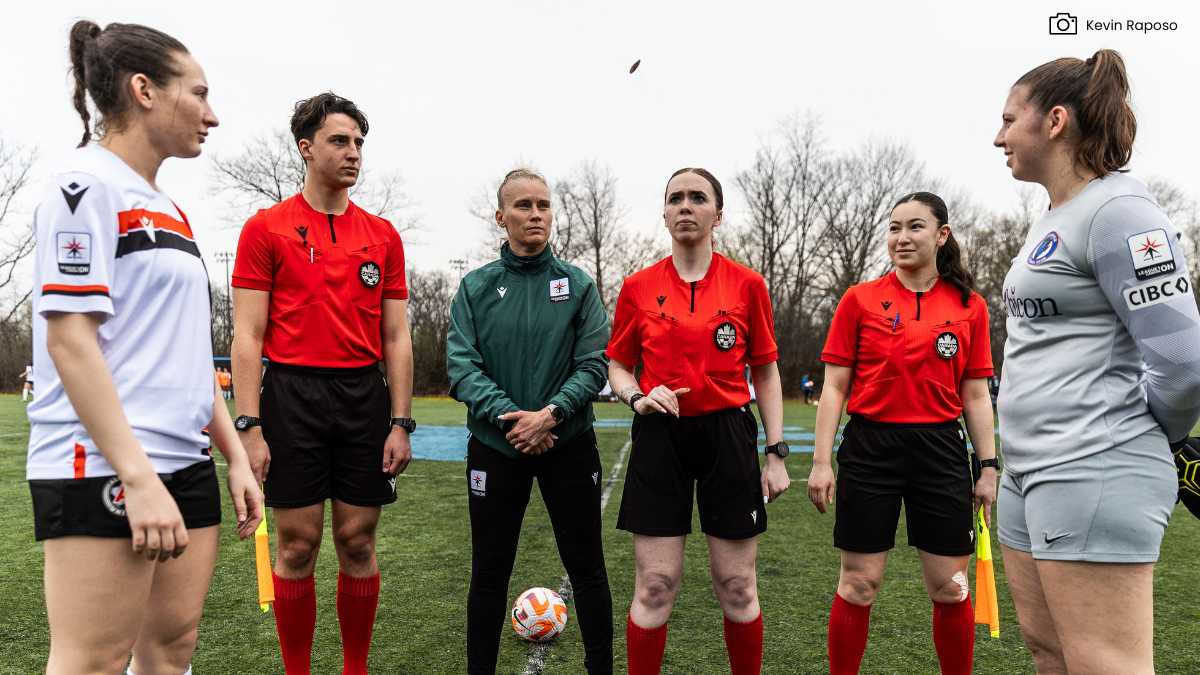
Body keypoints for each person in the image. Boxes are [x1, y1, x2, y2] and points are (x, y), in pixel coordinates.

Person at [26, 20, 262, 675]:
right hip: (103, 466)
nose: (212, 115)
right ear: (144, 90)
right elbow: (70, 339)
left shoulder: (171, 209)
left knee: (171, 651)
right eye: (199, 93)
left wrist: (234, 457)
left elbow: (188, 356)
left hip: (185, 461)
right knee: (94, 660)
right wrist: (137, 475)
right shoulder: (82, 185)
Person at [993, 49, 1200, 674]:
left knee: (1105, 664)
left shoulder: (1120, 212)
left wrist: (1144, 436)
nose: (998, 137)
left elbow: (1183, 359)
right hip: (1028, 470)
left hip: (1093, 463)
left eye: (1009, 120)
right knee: (1049, 653)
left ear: (1055, 121)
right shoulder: (1057, 215)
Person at [231, 93, 414, 675]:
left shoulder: (383, 236)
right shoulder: (265, 229)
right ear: (306, 148)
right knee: (297, 545)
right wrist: (249, 427)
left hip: (363, 398)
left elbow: (397, 338)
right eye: (340, 140)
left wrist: (401, 422)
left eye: (359, 142)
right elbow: (247, 336)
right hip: (292, 397)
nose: (353, 151)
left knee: (358, 542)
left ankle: (354, 669)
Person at [607, 168, 790, 675]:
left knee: (737, 586)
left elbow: (766, 371)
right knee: (655, 585)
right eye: (675, 198)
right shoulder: (638, 287)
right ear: (665, 214)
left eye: (697, 197)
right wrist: (637, 396)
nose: (685, 206)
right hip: (659, 436)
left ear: (718, 214)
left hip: (727, 435)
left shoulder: (747, 284)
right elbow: (618, 365)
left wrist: (776, 453)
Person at [806, 192, 997, 675]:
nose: (902, 237)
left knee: (950, 587)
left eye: (915, 227)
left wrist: (989, 467)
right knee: (858, 584)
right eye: (894, 227)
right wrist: (822, 462)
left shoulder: (970, 306)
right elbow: (834, 387)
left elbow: (976, 395)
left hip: (940, 450)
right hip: (870, 449)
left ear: (941, 235)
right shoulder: (859, 300)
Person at [447, 168, 613, 674]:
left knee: (587, 569)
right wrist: (513, 421)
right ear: (501, 217)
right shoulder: (476, 287)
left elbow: (594, 364)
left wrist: (550, 415)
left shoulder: (578, 285)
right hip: (497, 448)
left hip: (568, 443)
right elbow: (462, 367)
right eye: (523, 205)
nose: (536, 214)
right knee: (489, 574)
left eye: (543, 204)